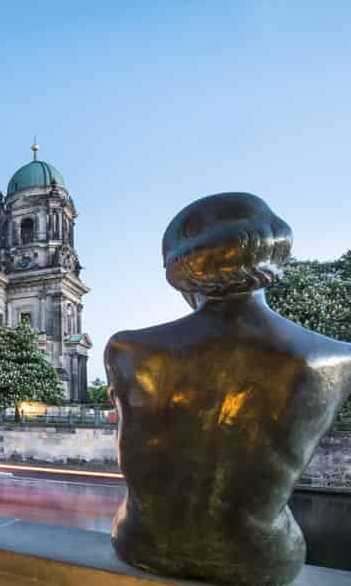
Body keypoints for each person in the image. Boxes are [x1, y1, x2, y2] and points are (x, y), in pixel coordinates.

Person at [105, 193, 351, 585]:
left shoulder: (127, 350)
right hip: (263, 558)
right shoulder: (337, 358)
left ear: (182, 268)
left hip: (142, 543)